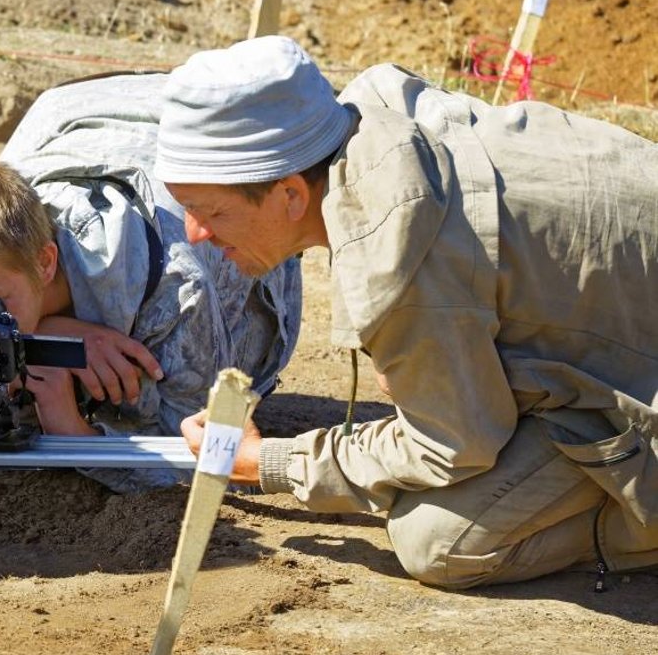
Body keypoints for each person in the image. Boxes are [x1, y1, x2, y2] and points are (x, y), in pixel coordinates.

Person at [158, 36, 657, 589]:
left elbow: (452, 448)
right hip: (626, 327)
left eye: (210, 211)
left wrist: (264, 460)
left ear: (292, 196)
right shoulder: (382, 131)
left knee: (440, 541)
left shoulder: (407, 252)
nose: (195, 234)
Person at [0, 73, 302, 492]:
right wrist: (46, 333)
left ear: (44, 264)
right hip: (76, 112)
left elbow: (212, 462)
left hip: (207, 141)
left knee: (142, 399)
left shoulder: (177, 290)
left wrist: (71, 430)